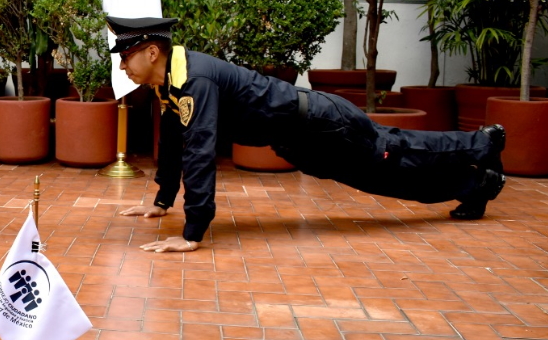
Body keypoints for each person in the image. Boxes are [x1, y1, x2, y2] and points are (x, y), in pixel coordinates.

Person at [110, 16, 507, 253]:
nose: (123, 65)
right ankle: (475, 183)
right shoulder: (170, 84)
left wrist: (192, 233)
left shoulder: (195, 80)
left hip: (322, 124)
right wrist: (163, 200)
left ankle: (482, 145)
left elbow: (199, 151)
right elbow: (174, 142)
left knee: (391, 154)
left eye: (126, 56)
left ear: (151, 52)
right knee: (383, 172)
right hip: (304, 140)